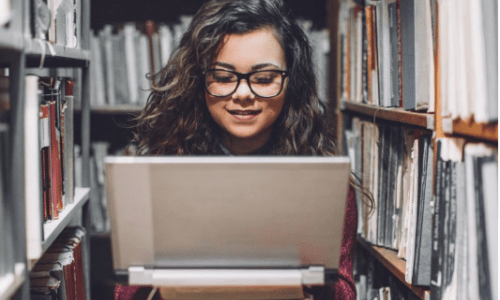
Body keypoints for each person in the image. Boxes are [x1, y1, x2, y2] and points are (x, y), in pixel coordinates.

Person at [115, 0, 370, 299]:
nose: (243, 94)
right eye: (223, 78)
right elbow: (127, 291)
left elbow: (344, 289)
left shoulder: (325, 182)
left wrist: (310, 281)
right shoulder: (161, 172)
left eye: (263, 79)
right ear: (199, 81)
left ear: (292, 83)